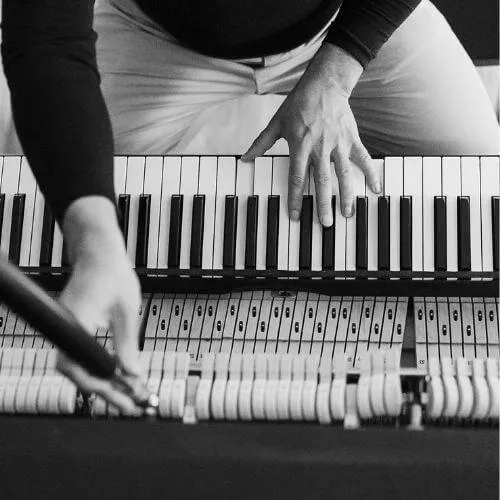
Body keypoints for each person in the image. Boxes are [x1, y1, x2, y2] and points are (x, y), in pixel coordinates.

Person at [1, 0, 499, 413]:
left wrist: (336, 75)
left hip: (344, 23)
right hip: (152, 30)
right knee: (46, 207)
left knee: (481, 183)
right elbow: (45, 39)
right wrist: (95, 240)